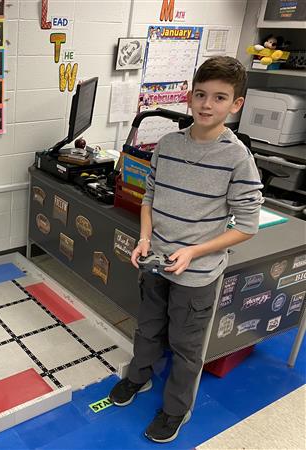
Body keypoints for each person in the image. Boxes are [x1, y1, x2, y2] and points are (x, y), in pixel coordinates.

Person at [109, 56, 263, 443]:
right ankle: (139, 377)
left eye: (219, 97)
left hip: (196, 274)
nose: (207, 105)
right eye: (201, 95)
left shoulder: (237, 158)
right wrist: (145, 238)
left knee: (186, 344)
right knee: (148, 327)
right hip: (155, 262)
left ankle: (177, 409)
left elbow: (247, 227)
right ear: (190, 97)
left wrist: (195, 251)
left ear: (236, 104)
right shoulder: (167, 144)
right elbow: (150, 197)